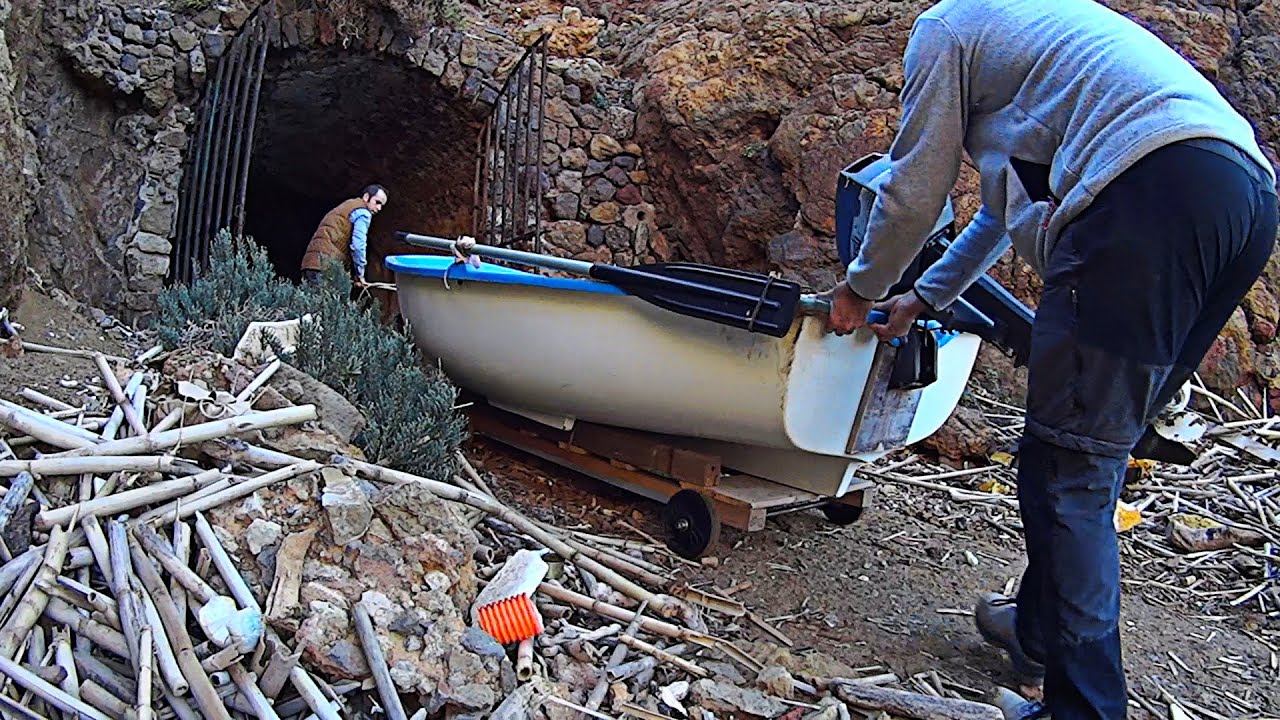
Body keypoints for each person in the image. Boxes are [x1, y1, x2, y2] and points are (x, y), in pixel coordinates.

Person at [817, 1, 1278, 718]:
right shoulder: (1037, 31)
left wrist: (860, 288)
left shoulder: (947, 28)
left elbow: (912, 193)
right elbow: (1005, 207)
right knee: (1094, 449)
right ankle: (1035, 633)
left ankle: (1084, 710)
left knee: (1069, 472)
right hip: (1241, 196)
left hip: (1145, 198)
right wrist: (926, 296)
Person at [300, 184, 388, 287]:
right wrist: (360, 275)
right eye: (377, 202)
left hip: (311, 263)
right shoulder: (363, 213)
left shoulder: (348, 205)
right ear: (366, 197)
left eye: (382, 205)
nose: (379, 208)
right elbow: (358, 246)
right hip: (326, 266)